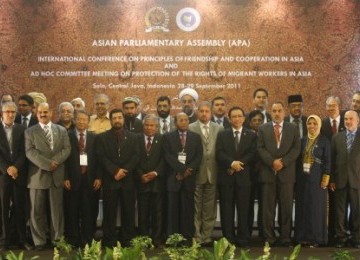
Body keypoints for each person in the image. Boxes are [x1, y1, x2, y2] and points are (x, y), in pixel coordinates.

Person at [25, 102, 71, 250]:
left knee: (57, 212)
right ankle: (39, 241)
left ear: (51, 113)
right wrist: (47, 164)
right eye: (40, 113)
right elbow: (30, 152)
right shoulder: (30, 132)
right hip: (37, 177)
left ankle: (57, 240)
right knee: (36, 212)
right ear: (36, 114)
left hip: (56, 176)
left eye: (46, 112)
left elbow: (67, 148)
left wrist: (55, 161)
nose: (43, 115)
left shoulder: (61, 130)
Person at [257, 102, 300, 247]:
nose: (276, 113)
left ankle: (285, 237)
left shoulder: (293, 128)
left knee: (286, 207)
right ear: (270, 112)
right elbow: (260, 148)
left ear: (284, 112)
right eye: (274, 111)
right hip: (268, 173)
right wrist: (272, 162)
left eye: (279, 111)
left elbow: (296, 149)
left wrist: (283, 162)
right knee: (268, 208)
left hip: (287, 174)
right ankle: (269, 237)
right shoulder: (263, 128)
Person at [96, 108, 139, 247]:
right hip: (110, 179)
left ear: (123, 119)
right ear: (111, 120)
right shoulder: (102, 137)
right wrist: (115, 171)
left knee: (128, 211)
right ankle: (109, 240)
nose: (117, 120)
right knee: (109, 212)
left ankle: (128, 239)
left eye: (119, 117)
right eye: (114, 118)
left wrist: (124, 171)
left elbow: (136, 156)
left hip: (128, 181)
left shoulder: (133, 137)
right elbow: (101, 157)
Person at [216, 106, 257, 247]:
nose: (237, 119)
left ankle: (243, 238)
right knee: (226, 210)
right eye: (234, 116)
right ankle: (228, 239)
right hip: (226, 178)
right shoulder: (222, 134)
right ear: (229, 118)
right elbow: (219, 153)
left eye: (240, 116)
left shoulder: (251, 135)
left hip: (244, 178)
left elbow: (252, 153)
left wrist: (238, 164)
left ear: (244, 118)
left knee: (244, 209)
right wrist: (231, 163)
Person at [163, 112, 202, 243]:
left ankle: (187, 238)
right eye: (181, 120)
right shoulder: (167, 137)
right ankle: (173, 239)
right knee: (172, 210)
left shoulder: (196, 137)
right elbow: (167, 156)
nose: (184, 122)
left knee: (187, 210)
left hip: (189, 179)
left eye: (186, 120)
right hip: (173, 178)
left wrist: (186, 172)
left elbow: (198, 157)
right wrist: (181, 170)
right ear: (175, 122)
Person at [64, 110, 101, 247]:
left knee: (89, 211)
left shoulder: (94, 137)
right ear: (74, 121)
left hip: (90, 179)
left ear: (88, 122)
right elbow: (64, 160)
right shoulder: (66, 136)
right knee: (72, 210)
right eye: (79, 119)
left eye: (84, 119)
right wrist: (65, 177)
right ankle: (73, 240)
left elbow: (99, 159)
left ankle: (88, 239)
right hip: (72, 179)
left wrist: (99, 177)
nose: (81, 122)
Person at [189, 102, 223, 246]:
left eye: (207, 111)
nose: (204, 114)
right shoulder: (191, 128)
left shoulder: (219, 128)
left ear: (211, 113)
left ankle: (207, 237)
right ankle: (196, 237)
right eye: (201, 111)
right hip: (196, 173)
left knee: (210, 208)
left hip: (213, 173)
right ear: (197, 112)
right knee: (196, 208)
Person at [294, 115, 330, 247]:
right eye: (309, 123)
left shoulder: (324, 141)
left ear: (319, 125)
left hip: (318, 179)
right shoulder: (302, 140)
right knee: (303, 207)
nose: (312, 126)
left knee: (315, 209)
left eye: (315, 123)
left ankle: (316, 239)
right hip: (303, 180)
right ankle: (302, 237)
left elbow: (328, 160)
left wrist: (326, 177)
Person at [0, 102, 31, 250]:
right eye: (7, 112)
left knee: (21, 208)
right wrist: (7, 168)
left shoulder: (21, 129)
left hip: (19, 174)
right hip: (2, 175)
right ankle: (4, 240)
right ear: (2, 113)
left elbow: (24, 152)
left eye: (13, 112)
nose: (11, 114)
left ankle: (22, 239)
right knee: (3, 208)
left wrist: (16, 167)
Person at [330, 110, 360, 248]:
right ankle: (340, 238)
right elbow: (332, 161)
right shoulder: (336, 138)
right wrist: (332, 179)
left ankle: (356, 238)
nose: (348, 121)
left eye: (351, 119)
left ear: (358, 121)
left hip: (357, 181)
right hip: (340, 180)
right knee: (340, 212)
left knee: (357, 211)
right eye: (346, 119)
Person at [136, 114, 165, 247]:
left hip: (157, 182)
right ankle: (144, 239)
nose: (149, 128)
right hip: (141, 181)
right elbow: (133, 158)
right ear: (143, 126)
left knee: (158, 213)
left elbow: (165, 159)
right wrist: (140, 174)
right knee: (143, 213)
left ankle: (157, 239)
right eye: (146, 125)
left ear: (157, 127)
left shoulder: (163, 139)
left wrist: (155, 173)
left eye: (152, 125)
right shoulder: (136, 139)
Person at [320, 96, 346, 244]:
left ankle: (343, 234)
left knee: (342, 205)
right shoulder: (322, 124)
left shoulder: (347, 120)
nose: (330, 108)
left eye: (333, 106)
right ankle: (330, 235)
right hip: (328, 171)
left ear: (340, 106)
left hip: (346, 172)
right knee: (331, 204)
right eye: (328, 105)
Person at [247, 110, 264, 236]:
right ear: (249, 122)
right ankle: (248, 230)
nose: (257, 123)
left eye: (260, 120)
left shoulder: (266, 134)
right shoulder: (246, 135)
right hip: (249, 175)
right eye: (255, 120)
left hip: (264, 175)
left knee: (264, 204)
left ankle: (263, 231)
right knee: (248, 204)